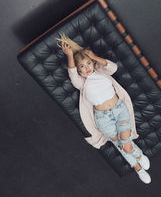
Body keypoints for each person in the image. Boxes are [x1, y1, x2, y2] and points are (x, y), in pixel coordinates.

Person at [56, 33, 151, 184]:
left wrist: (93, 56)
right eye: (82, 66)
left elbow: (113, 67)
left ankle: (138, 158)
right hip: (103, 119)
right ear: (79, 70)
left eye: (88, 63)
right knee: (121, 146)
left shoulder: (101, 71)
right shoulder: (82, 83)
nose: (86, 68)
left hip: (120, 110)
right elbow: (72, 74)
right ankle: (138, 167)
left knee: (125, 145)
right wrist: (69, 55)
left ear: (92, 63)